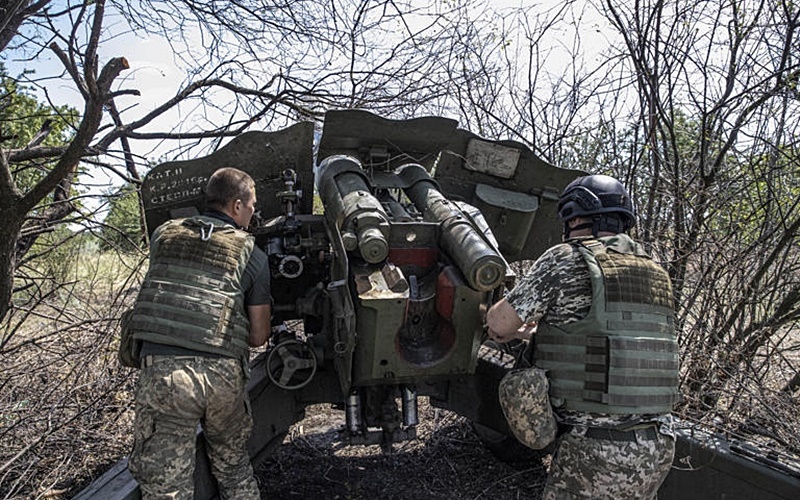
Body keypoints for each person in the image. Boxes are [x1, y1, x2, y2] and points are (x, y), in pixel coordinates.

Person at [486, 174, 680, 500]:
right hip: (658, 444)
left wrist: (496, 318)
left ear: (576, 216)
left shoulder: (566, 257)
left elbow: (500, 324)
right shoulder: (655, 270)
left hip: (598, 449)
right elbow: (612, 336)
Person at [127, 167, 272, 499]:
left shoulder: (163, 234)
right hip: (223, 379)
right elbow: (258, 336)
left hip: (166, 377)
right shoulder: (254, 254)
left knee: (166, 486)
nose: (253, 213)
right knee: (234, 470)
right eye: (251, 205)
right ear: (236, 206)